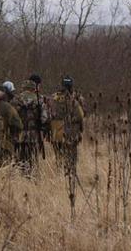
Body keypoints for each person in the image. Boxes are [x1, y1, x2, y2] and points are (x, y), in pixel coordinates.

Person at [48, 75, 84, 206]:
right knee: (72, 157)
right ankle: (71, 178)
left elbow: (49, 113)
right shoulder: (77, 98)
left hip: (57, 130)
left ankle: (59, 177)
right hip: (71, 132)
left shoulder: (53, 97)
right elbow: (81, 114)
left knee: (59, 155)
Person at [14, 75, 49, 172]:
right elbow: (44, 118)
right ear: (34, 88)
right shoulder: (39, 100)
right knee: (33, 159)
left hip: (19, 135)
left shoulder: (16, 99)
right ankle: (32, 179)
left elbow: (12, 117)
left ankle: (19, 179)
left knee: (19, 159)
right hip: (34, 135)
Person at [0, 82, 23, 164]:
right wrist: (12, 137)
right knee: (4, 168)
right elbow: (18, 125)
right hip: (4, 144)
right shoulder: (7, 107)